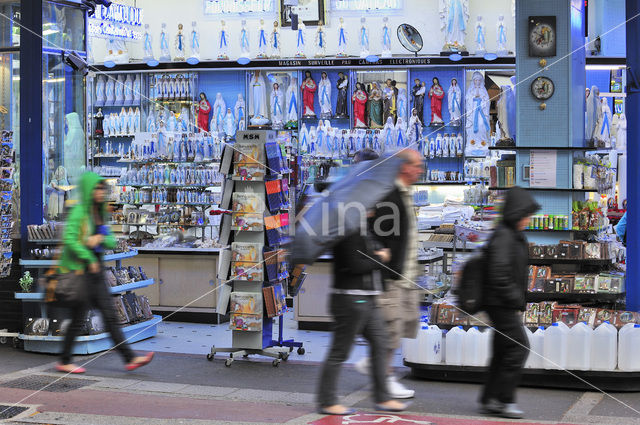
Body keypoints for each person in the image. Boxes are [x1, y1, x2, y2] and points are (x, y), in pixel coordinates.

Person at [316, 157, 407, 415]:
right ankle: (327, 399)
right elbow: (354, 264)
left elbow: (367, 252)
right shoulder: (347, 224)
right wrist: (380, 258)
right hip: (350, 298)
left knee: (380, 343)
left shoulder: (362, 224)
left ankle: (382, 397)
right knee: (340, 350)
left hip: (366, 297)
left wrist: (377, 251)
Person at [56, 172, 154, 374]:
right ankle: (65, 360)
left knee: (109, 316)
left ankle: (129, 358)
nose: (101, 193)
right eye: (97, 189)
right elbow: (72, 242)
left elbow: (110, 240)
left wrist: (98, 239)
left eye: (102, 189)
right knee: (78, 319)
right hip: (81, 271)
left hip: (95, 272)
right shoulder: (79, 213)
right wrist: (90, 252)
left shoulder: (99, 213)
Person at [356, 149, 424, 399]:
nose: (421, 170)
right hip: (391, 276)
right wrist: (382, 257)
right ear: (404, 167)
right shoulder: (389, 194)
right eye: (417, 165)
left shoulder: (404, 194)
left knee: (404, 323)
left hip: (405, 274)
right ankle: (383, 379)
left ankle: (375, 364)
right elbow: (374, 232)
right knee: (390, 329)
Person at [480, 186, 540, 419]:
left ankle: (490, 398)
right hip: (500, 303)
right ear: (516, 213)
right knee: (518, 348)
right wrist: (516, 298)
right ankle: (504, 400)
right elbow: (498, 274)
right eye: (526, 214)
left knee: (502, 350)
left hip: (501, 302)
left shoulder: (511, 233)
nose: (528, 219)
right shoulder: (505, 236)